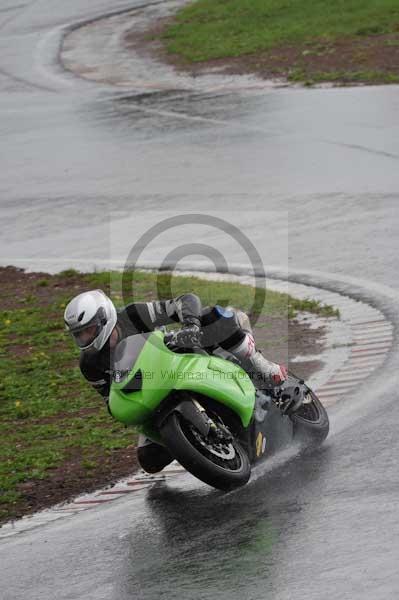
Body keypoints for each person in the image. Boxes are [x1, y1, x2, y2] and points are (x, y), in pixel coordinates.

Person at [64, 289, 290, 473]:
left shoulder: (133, 315)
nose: (85, 339)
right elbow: (110, 399)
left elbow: (185, 300)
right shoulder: (90, 365)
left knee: (211, 317)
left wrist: (190, 325)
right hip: (150, 393)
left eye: (89, 330)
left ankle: (261, 366)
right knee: (149, 460)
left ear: (105, 319)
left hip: (179, 357)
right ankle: (195, 443)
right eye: (79, 334)